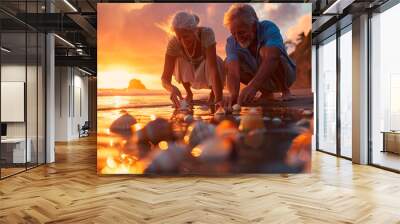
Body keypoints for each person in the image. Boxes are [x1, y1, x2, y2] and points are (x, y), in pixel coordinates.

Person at [223, 4, 296, 105]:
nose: (237, 37)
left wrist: (252, 86)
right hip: (262, 82)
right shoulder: (231, 42)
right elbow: (233, 72)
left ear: (253, 26)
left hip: (286, 76)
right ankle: (267, 93)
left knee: (269, 51)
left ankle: (285, 90)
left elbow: (273, 56)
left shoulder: (268, 27)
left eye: (241, 32)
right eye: (233, 33)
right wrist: (234, 95)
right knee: (228, 61)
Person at [161, 11, 225, 108]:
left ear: (194, 30)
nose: (182, 41)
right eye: (179, 37)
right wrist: (172, 89)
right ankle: (189, 93)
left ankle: (213, 95)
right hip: (189, 67)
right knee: (178, 60)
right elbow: (164, 79)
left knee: (215, 61)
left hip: (207, 65)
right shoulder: (173, 43)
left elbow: (213, 69)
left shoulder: (206, 33)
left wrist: (219, 99)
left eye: (185, 36)